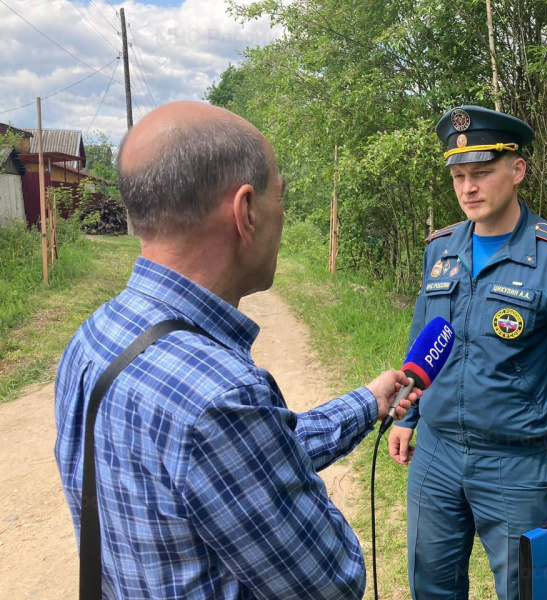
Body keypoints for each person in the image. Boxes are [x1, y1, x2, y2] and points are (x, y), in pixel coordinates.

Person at [54, 101, 421, 599]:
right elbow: (332, 580)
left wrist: (367, 402)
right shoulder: (220, 396)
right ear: (246, 210)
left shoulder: (94, 336)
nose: (282, 217)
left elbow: (237, 460)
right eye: (281, 198)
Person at [387, 105, 547, 600]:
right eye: (459, 176)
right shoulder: (439, 249)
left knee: (526, 591)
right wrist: (407, 414)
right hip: (437, 455)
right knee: (431, 585)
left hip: (516, 462)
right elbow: (426, 340)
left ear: (517, 171)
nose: (468, 187)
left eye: (482, 173)